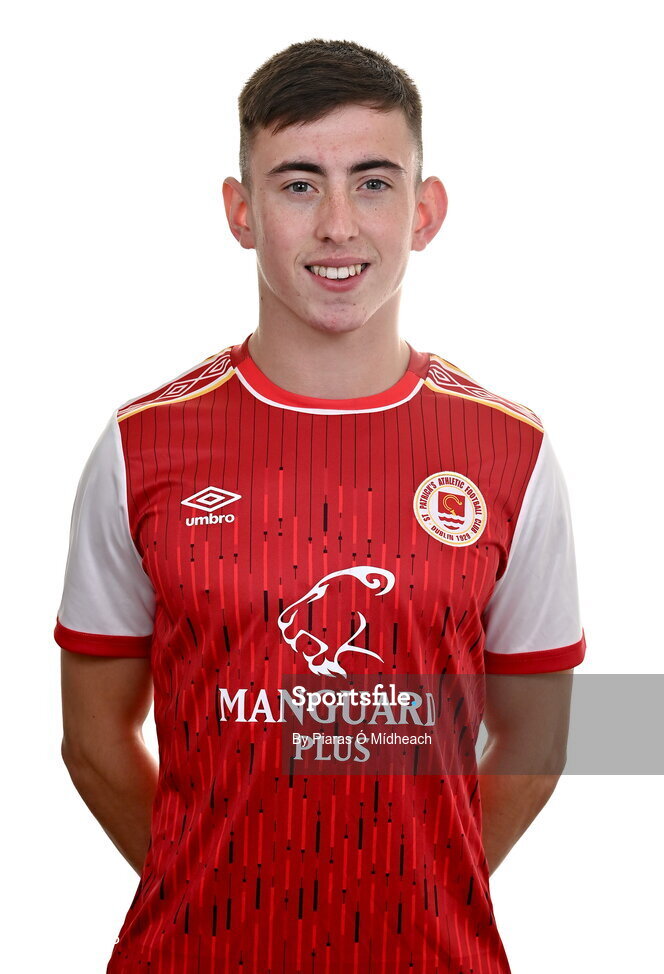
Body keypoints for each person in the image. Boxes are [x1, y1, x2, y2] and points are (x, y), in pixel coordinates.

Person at [56, 38, 586, 974]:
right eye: (299, 184)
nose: (338, 224)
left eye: (373, 183)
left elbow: (538, 745)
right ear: (241, 212)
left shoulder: (514, 454)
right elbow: (95, 740)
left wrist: (414, 892)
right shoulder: (140, 448)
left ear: (425, 213)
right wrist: (213, 889)